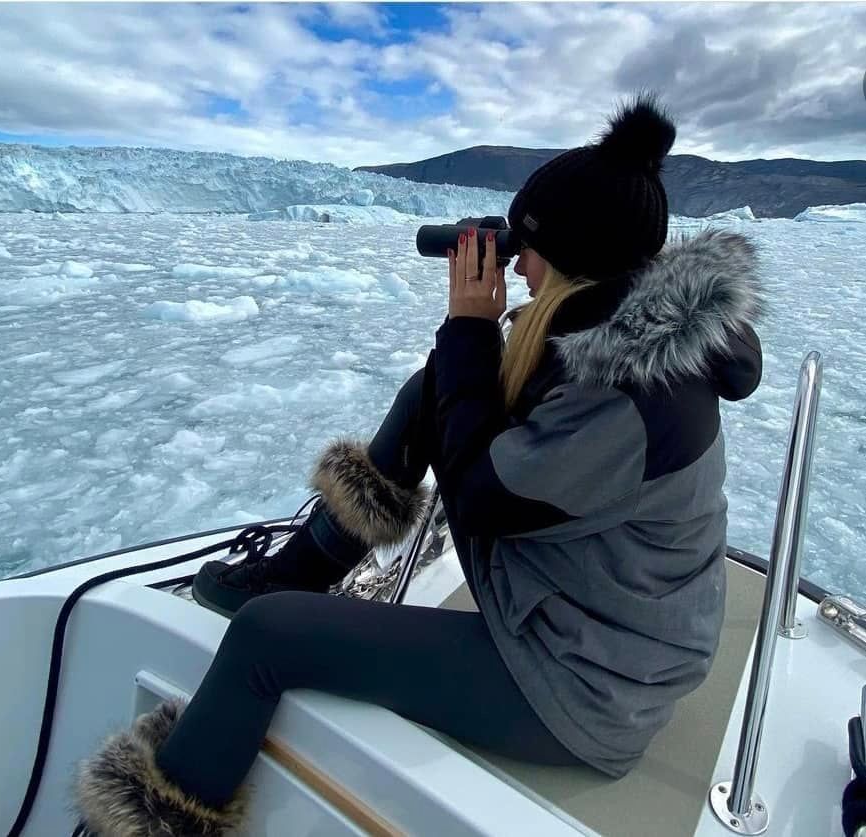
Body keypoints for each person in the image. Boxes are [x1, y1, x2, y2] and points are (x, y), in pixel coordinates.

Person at [74, 93, 764, 836]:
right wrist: (461, 357)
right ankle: (304, 565)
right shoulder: (624, 343)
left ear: (574, 259)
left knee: (266, 637)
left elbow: (481, 500)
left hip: (587, 687)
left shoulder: (627, 397)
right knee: (438, 385)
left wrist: (469, 327)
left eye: (528, 246)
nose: (517, 262)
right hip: (593, 623)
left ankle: (159, 821)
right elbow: (478, 424)